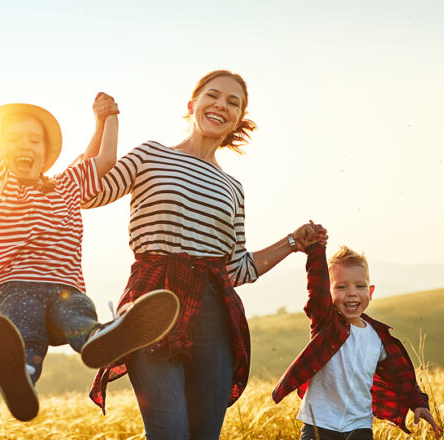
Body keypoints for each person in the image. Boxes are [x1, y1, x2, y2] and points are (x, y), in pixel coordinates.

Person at [83, 70, 325, 440]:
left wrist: (292, 242)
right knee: (169, 433)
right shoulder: (151, 155)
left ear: (238, 118)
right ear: (192, 104)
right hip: (152, 305)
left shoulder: (233, 188)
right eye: (213, 96)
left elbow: (238, 269)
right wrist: (104, 125)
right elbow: (88, 192)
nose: (221, 105)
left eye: (233, 102)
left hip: (213, 313)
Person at [0, 44, 179, 422]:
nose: (24, 145)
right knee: (24, 338)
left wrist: (109, 118)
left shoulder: (68, 185)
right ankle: (23, 379)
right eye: (13, 140)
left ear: (46, 153)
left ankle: (102, 339)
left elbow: (104, 160)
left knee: (80, 320)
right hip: (19, 287)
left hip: (67, 288)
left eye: (34, 141)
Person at [272, 240, 442, 439]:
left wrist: (418, 402)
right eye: (342, 286)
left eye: (359, 286)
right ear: (328, 293)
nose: (351, 292)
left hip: (360, 426)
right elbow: (316, 287)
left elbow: (401, 376)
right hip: (319, 425)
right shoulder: (326, 324)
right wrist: (316, 248)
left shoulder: (378, 337)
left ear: (370, 292)